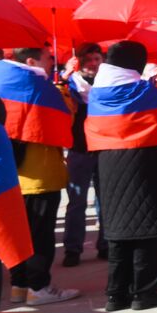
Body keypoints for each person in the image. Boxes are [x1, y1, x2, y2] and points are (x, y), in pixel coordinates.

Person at [88, 41, 157, 311]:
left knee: (117, 231)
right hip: (143, 162)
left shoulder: (97, 92)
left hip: (108, 164)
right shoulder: (141, 90)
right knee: (147, 229)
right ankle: (144, 293)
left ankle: (115, 294)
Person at [0, 46, 78, 305]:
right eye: (48, 58)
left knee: (18, 235)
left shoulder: (2, 82)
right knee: (40, 236)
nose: (52, 62)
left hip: (11, 177)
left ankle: (19, 285)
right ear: (31, 60)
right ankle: (39, 287)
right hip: (39, 176)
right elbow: (65, 121)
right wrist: (62, 92)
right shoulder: (41, 88)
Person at [61, 43, 108, 266]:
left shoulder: (108, 83)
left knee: (105, 200)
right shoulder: (69, 83)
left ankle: (106, 244)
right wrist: (63, 78)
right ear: (79, 60)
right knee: (76, 202)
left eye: (96, 59)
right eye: (88, 59)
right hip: (79, 149)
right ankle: (73, 249)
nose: (92, 64)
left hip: (104, 148)